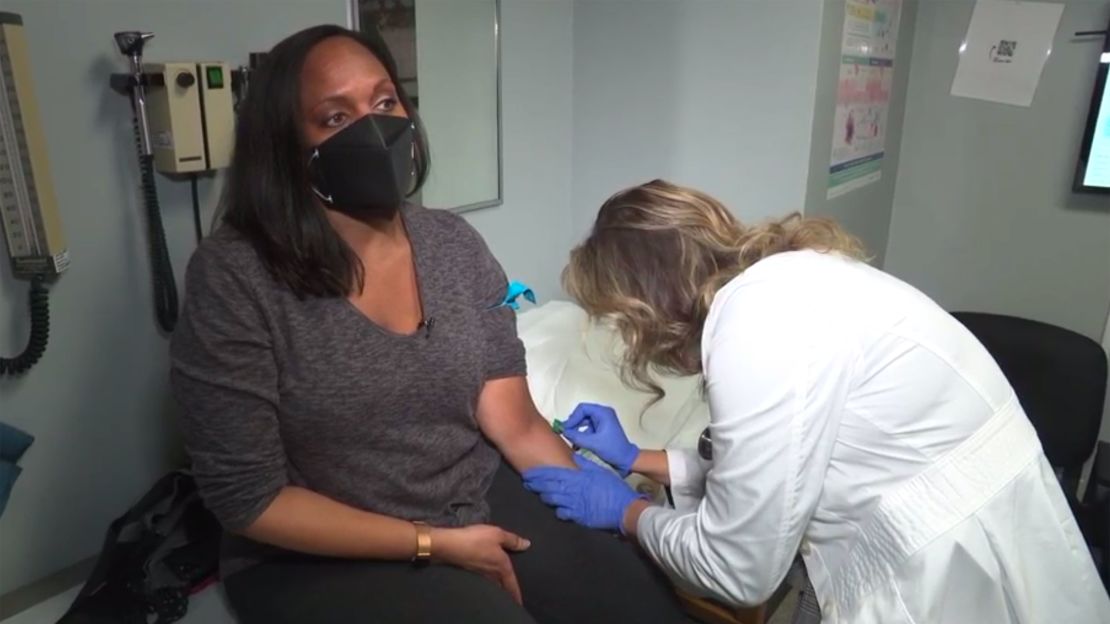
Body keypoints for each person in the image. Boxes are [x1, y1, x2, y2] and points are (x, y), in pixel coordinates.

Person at [169, 25, 684, 624]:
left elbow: (514, 423)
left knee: (636, 602)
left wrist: (610, 511)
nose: (372, 127)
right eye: (336, 117)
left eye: (385, 102)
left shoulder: (452, 245)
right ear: (286, 147)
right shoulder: (235, 277)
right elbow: (250, 501)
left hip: (471, 495)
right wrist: (433, 544)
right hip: (315, 552)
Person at [523, 179, 1110, 623]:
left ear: (645, 309)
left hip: (947, 571)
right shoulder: (790, 280)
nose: (629, 343)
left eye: (623, 324)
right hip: (977, 527)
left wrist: (625, 511)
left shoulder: (758, 327)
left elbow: (737, 570)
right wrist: (640, 459)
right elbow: (787, 465)